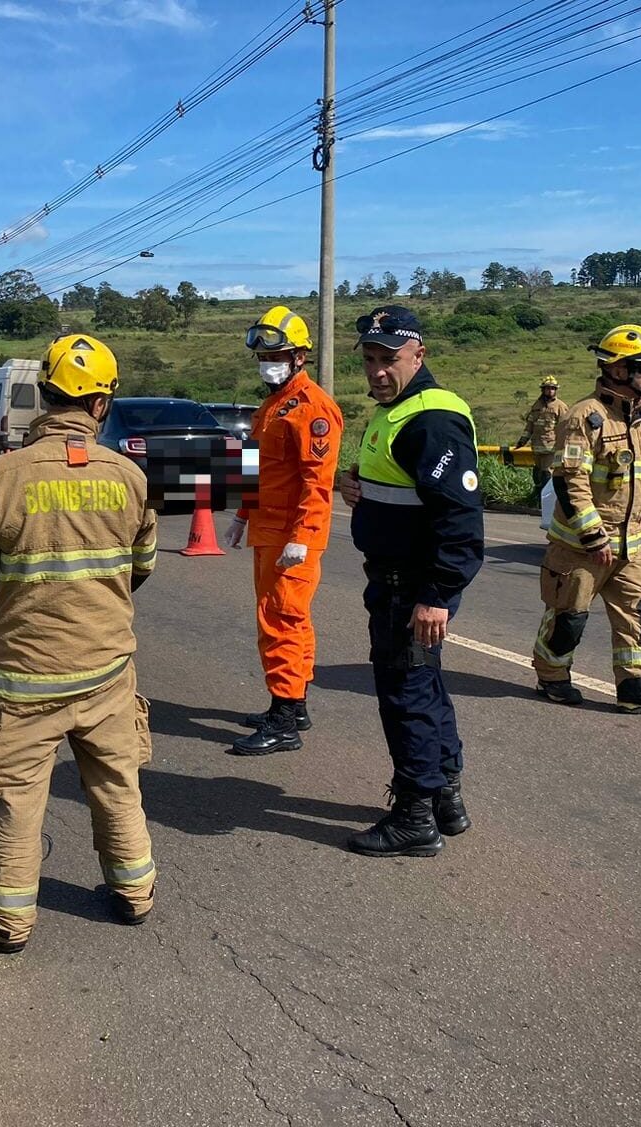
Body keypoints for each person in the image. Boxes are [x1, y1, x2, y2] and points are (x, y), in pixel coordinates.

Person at [0, 333, 159, 953]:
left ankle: (8, 921)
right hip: (107, 671)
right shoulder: (129, 477)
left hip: (26, 678)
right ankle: (134, 893)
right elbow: (140, 567)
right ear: (101, 405)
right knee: (117, 781)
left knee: (15, 799)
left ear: (44, 395)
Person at [336, 306, 483, 858]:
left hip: (412, 583)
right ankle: (445, 797)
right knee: (426, 687)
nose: (377, 371)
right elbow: (399, 481)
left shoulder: (431, 418)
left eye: (389, 360)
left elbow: (460, 517)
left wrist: (437, 595)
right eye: (370, 359)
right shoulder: (393, 411)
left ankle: (415, 815)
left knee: (406, 694)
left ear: (418, 355)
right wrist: (356, 486)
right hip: (399, 580)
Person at [532, 323, 641, 717]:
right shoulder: (585, 417)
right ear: (617, 369)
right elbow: (571, 482)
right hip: (580, 551)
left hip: (630, 549)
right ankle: (552, 677)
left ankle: (636, 687)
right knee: (569, 619)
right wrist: (594, 537)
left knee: (639, 617)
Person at [226, 305, 344, 756]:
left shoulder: (313, 408)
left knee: (281, 622)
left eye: (274, 356)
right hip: (268, 530)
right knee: (288, 619)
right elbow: (261, 470)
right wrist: (241, 515)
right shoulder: (274, 406)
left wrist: (302, 536)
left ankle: (283, 719)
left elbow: (318, 481)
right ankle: (295, 705)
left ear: (300, 357)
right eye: (260, 358)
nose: (265, 365)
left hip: (293, 536)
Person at [516, 375, 568, 493]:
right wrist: (522, 441)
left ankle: (546, 499)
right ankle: (537, 498)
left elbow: (565, 428)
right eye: (548, 388)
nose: (550, 391)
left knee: (547, 473)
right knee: (537, 473)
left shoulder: (560, 407)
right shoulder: (536, 406)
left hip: (551, 448)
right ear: (543, 390)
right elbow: (530, 425)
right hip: (537, 447)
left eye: (553, 388)